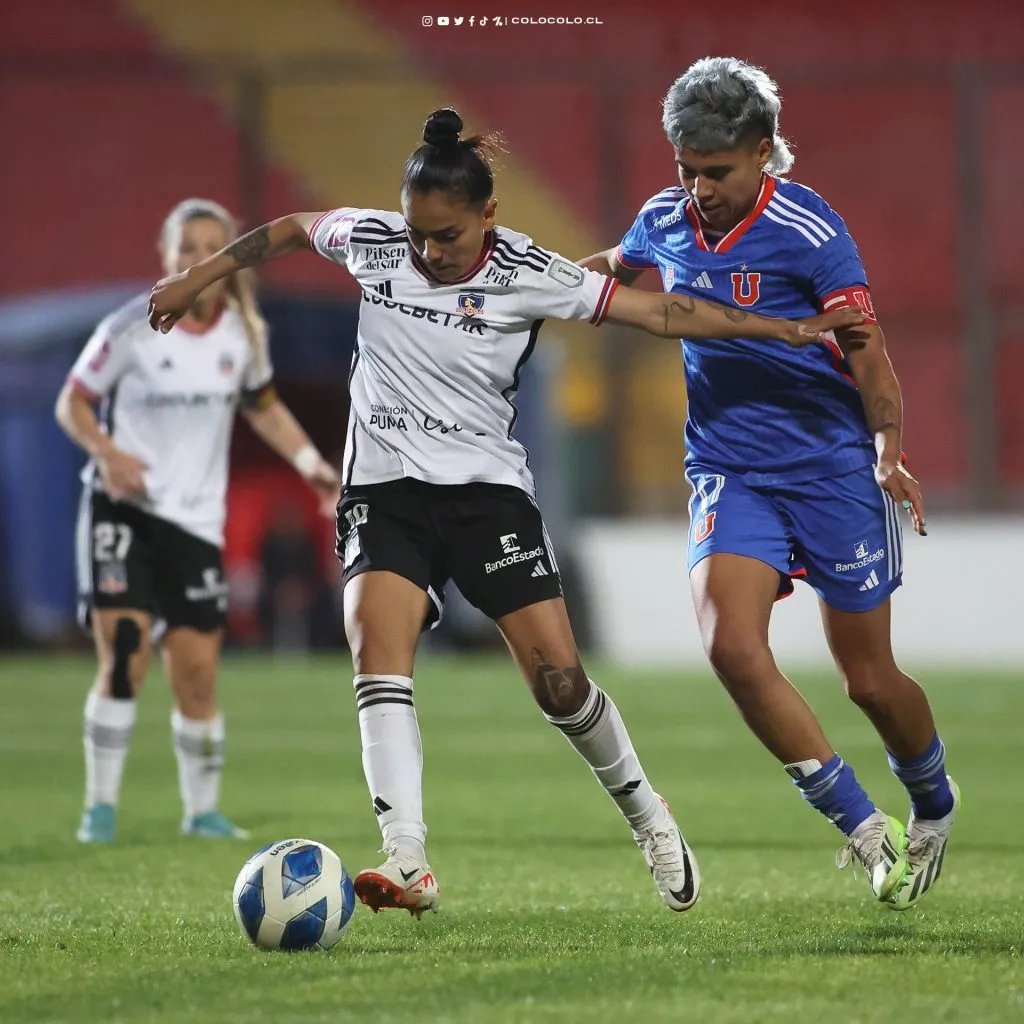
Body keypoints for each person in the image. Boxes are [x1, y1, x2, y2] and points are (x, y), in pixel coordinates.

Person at [147, 108, 861, 917]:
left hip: (488, 496)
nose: (426, 251)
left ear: (488, 215)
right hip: (384, 490)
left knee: (560, 686)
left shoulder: (530, 271)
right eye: (417, 232)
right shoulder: (375, 240)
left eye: (445, 235)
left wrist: (788, 329)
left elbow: (665, 312)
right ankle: (406, 855)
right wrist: (195, 281)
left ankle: (646, 815)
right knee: (376, 654)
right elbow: (286, 230)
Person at [580, 58, 957, 910]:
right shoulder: (665, 219)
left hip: (829, 468)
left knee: (869, 682)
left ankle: (933, 800)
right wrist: (542, 283)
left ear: (762, 153)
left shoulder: (810, 230)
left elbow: (866, 344)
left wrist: (888, 447)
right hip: (729, 469)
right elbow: (620, 262)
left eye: (715, 171)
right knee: (731, 647)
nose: (698, 187)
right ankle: (865, 830)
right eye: (685, 169)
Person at [56, 198, 340, 844]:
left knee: (198, 674)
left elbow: (262, 405)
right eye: (184, 247)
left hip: (196, 524)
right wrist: (106, 451)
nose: (195, 259)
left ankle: (202, 812)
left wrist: (308, 462)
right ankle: (99, 810)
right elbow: (72, 402)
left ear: (229, 258)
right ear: (165, 256)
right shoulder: (131, 327)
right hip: (124, 511)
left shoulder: (243, 336)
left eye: (209, 246)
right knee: (126, 658)